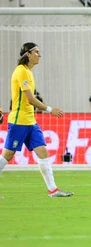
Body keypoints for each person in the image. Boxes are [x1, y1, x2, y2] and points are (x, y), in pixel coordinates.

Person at [0, 43, 73, 198]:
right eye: (37, 52)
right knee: (7, 155)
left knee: (43, 151)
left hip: (30, 121)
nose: (39, 55)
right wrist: (49, 109)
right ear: (28, 54)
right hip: (19, 121)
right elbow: (30, 99)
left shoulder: (29, 72)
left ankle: (52, 190)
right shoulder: (21, 72)